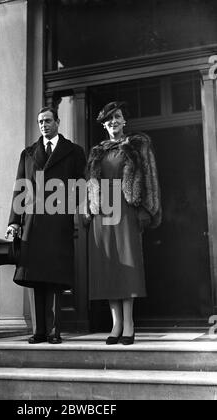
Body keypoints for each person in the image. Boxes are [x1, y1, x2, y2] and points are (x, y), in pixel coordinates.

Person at [6, 106, 86, 345]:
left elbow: (81, 185)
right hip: (32, 223)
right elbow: (20, 188)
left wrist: (70, 210)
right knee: (36, 278)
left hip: (58, 221)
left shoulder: (73, 152)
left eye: (48, 121)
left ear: (58, 122)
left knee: (54, 277)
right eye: (40, 121)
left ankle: (54, 331)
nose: (43, 125)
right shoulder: (28, 153)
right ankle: (39, 331)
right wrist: (14, 222)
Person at [85, 101, 161, 345]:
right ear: (104, 125)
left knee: (127, 265)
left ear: (124, 121)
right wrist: (88, 210)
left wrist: (147, 209)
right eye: (108, 120)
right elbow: (89, 185)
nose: (113, 122)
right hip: (103, 214)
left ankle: (129, 323)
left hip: (126, 210)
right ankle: (115, 323)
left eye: (117, 117)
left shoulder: (138, 144)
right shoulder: (98, 151)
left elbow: (149, 177)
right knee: (108, 267)